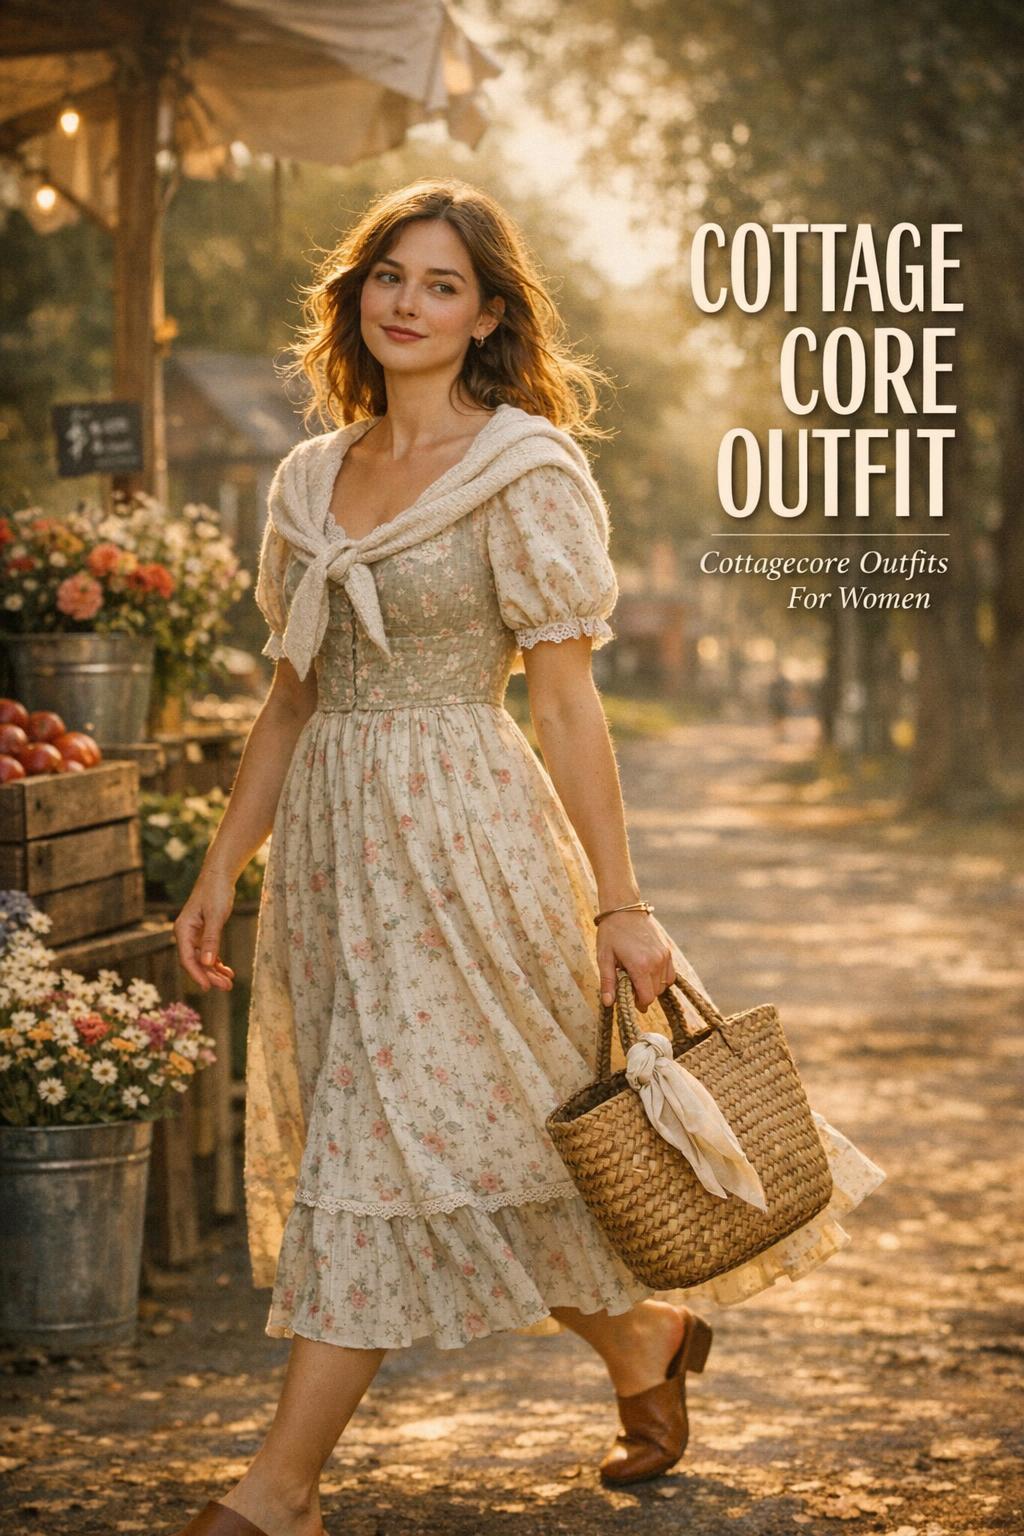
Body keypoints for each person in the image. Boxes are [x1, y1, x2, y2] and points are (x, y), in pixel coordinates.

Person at [170, 179, 885, 1536]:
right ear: (357, 293)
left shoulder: (526, 467)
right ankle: (643, 1345)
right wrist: (224, 866)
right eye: (389, 274)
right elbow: (290, 699)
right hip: (336, 850)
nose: (407, 303)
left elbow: (563, 702)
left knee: (409, 1149)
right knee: (451, 1139)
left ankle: (278, 1493)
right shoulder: (304, 481)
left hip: (471, 840)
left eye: (441, 285)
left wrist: (622, 902)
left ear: (488, 313)